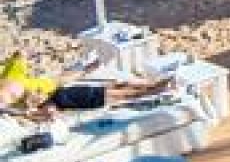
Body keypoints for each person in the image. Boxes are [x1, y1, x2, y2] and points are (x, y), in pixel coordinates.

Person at [0, 52, 177, 120]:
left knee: (119, 86)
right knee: (121, 94)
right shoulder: (9, 90)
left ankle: (155, 86)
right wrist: (31, 111)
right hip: (63, 96)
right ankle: (157, 89)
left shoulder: (11, 74)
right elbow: (14, 109)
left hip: (61, 90)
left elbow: (19, 56)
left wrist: (85, 70)